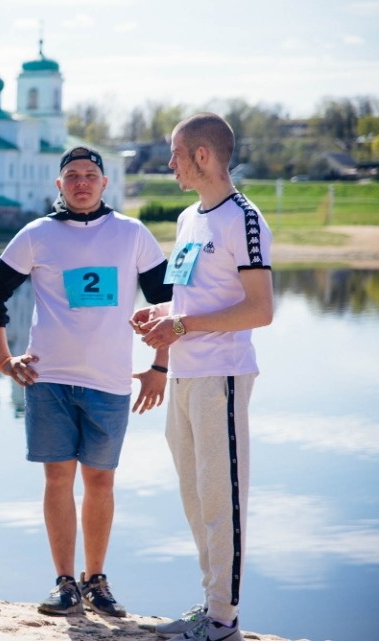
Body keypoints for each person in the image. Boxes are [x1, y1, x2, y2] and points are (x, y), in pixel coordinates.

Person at [0, 147, 172, 619]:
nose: (82, 182)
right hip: (49, 380)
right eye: (72, 176)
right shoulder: (37, 235)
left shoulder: (132, 235)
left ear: (105, 184)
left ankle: (96, 580)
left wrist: (159, 366)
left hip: (110, 382)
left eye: (90, 175)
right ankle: (64, 582)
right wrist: (4, 359)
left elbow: (169, 303)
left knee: (101, 481)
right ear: (59, 186)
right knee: (58, 478)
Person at [132, 113, 273, 641]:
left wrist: (182, 323)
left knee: (222, 499)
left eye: (175, 155)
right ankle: (211, 607)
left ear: (203, 157)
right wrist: (161, 314)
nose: (168, 164)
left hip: (223, 376)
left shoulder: (245, 218)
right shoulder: (191, 218)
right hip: (185, 377)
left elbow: (260, 310)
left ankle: (224, 621)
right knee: (196, 498)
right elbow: (193, 297)